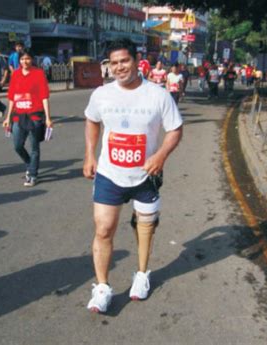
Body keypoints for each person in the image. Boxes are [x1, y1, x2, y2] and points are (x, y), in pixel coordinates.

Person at [83, 39, 183, 313]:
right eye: (113, 63)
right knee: (103, 229)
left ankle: (141, 274)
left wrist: (161, 155)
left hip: (144, 177)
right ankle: (102, 287)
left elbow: (175, 129)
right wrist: (90, 154)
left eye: (124, 61)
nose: (119, 67)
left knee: (145, 229)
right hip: (109, 175)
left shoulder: (158, 95)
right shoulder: (101, 94)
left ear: (137, 60)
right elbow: (92, 120)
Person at [2, 50, 52, 187]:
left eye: (28, 59)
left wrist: (47, 117)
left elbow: (44, 97)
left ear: (32, 60)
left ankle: (33, 175)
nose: (25, 61)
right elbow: (12, 98)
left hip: (34, 115)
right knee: (17, 146)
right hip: (18, 116)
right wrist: (8, 117)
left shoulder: (38, 73)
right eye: (22, 59)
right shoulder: (16, 74)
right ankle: (30, 164)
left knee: (34, 147)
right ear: (19, 61)